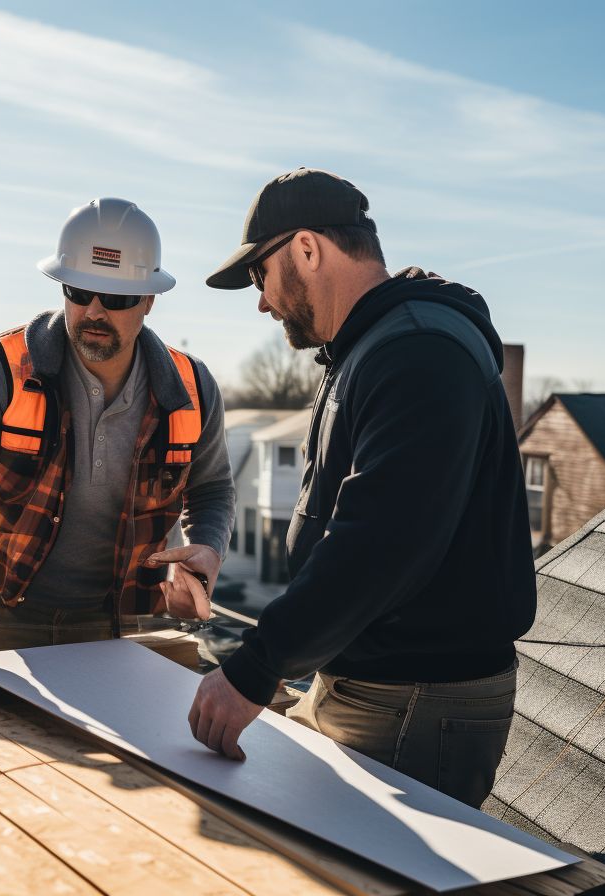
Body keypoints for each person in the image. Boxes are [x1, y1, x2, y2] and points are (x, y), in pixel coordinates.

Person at [190, 168, 536, 809]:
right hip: (374, 686)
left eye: (259, 277)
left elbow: (380, 543)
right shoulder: (374, 347)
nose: (261, 301)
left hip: (413, 700)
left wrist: (256, 666)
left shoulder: (419, 352)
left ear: (307, 249)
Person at [0, 198, 235, 665]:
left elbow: (212, 488)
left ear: (149, 301)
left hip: (116, 615)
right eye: (78, 291)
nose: (94, 311)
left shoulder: (191, 390)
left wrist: (208, 551)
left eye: (115, 299)